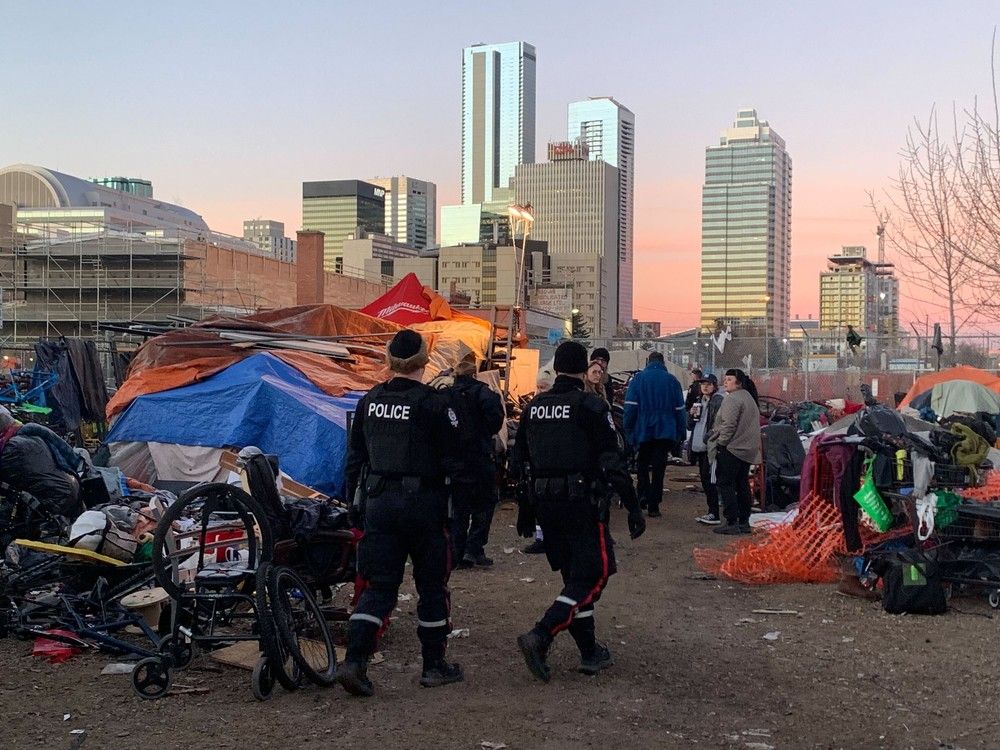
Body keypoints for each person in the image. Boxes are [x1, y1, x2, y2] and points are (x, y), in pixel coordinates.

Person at [339, 329, 463, 697]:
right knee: (431, 586)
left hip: (378, 503)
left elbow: (354, 459)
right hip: (424, 507)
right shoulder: (435, 404)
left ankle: (355, 662)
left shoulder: (370, 401)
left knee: (378, 587)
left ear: (390, 359)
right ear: (424, 360)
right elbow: (457, 462)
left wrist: (354, 505)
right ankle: (433, 665)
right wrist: (462, 515)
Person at [512, 341, 645, 682]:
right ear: (584, 368)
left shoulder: (534, 408)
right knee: (593, 574)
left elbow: (518, 463)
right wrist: (632, 505)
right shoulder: (589, 406)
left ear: (555, 368)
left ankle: (589, 651)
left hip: (545, 504)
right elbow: (612, 460)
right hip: (581, 503)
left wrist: (525, 511)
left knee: (574, 579)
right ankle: (541, 634)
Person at [443, 354, 505, 569]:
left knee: (459, 508)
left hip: (455, 460)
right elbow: (495, 422)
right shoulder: (485, 393)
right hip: (480, 456)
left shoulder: (446, 395)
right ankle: (474, 547)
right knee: (485, 504)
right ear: (475, 372)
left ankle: (457, 552)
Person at [622, 351, 687, 518]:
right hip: (666, 430)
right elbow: (680, 410)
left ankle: (642, 494)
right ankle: (654, 505)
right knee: (659, 468)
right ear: (663, 362)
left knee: (642, 464)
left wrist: (628, 429)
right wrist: (681, 431)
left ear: (648, 362)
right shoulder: (672, 381)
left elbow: (630, 407)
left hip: (643, 429)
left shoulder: (638, 380)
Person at [708, 369, 763, 535]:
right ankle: (744, 521)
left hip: (732, 448)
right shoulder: (749, 398)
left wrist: (721, 443)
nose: (725, 382)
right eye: (725, 379)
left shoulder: (732, 399)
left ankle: (731, 521)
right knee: (742, 483)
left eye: (729, 379)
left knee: (725, 483)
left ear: (738, 382)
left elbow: (729, 425)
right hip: (748, 449)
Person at [689, 374, 725, 525]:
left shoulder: (718, 401)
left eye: (708, 384)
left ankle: (714, 513)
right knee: (705, 479)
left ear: (715, 385)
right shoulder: (699, 401)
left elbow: (718, 425)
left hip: (710, 448)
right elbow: (690, 426)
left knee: (710, 480)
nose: (704, 386)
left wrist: (709, 438)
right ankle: (712, 511)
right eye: (703, 383)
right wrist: (691, 416)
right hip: (698, 447)